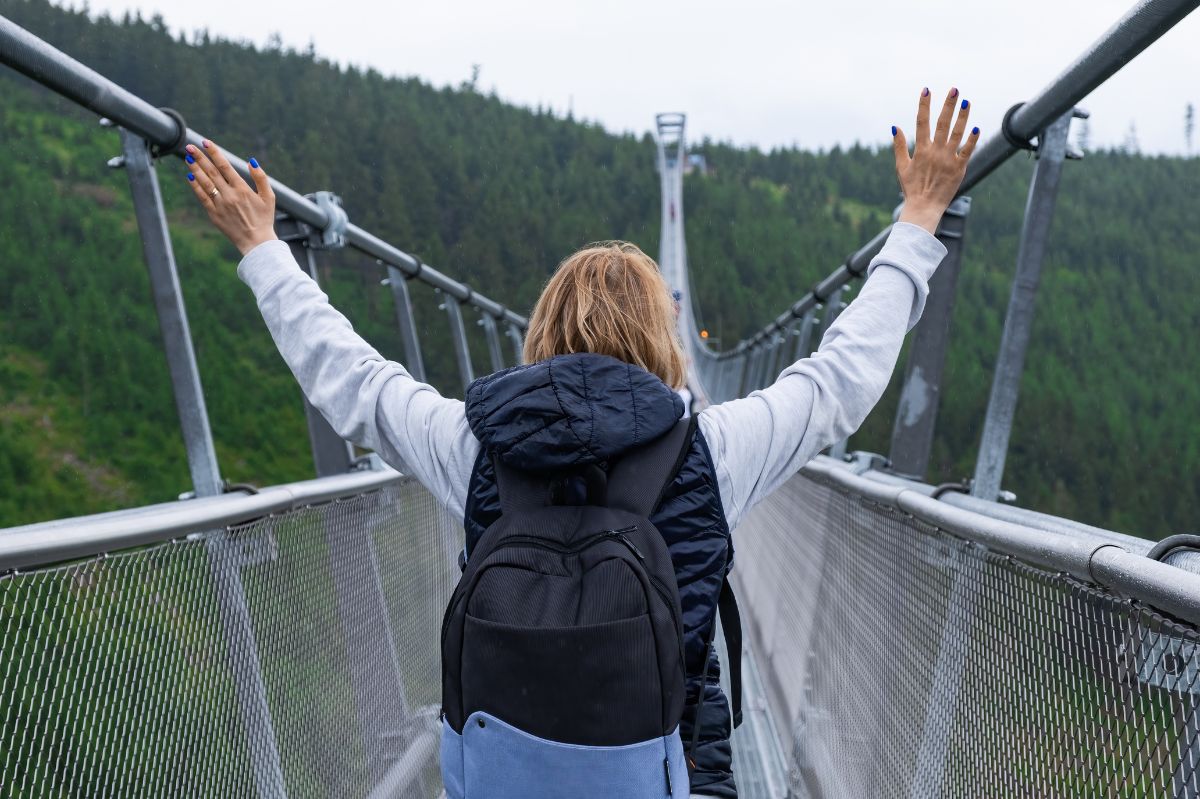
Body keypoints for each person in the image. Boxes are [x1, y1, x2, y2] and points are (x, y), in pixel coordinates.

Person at [183, 87, 979, 798]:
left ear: (542, 329)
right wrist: (916, 223)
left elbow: (353, 382)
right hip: (665, 766)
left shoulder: (474, 444)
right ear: (664, 339)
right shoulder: (713, 450)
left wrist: (263, 248)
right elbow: (840, 381)